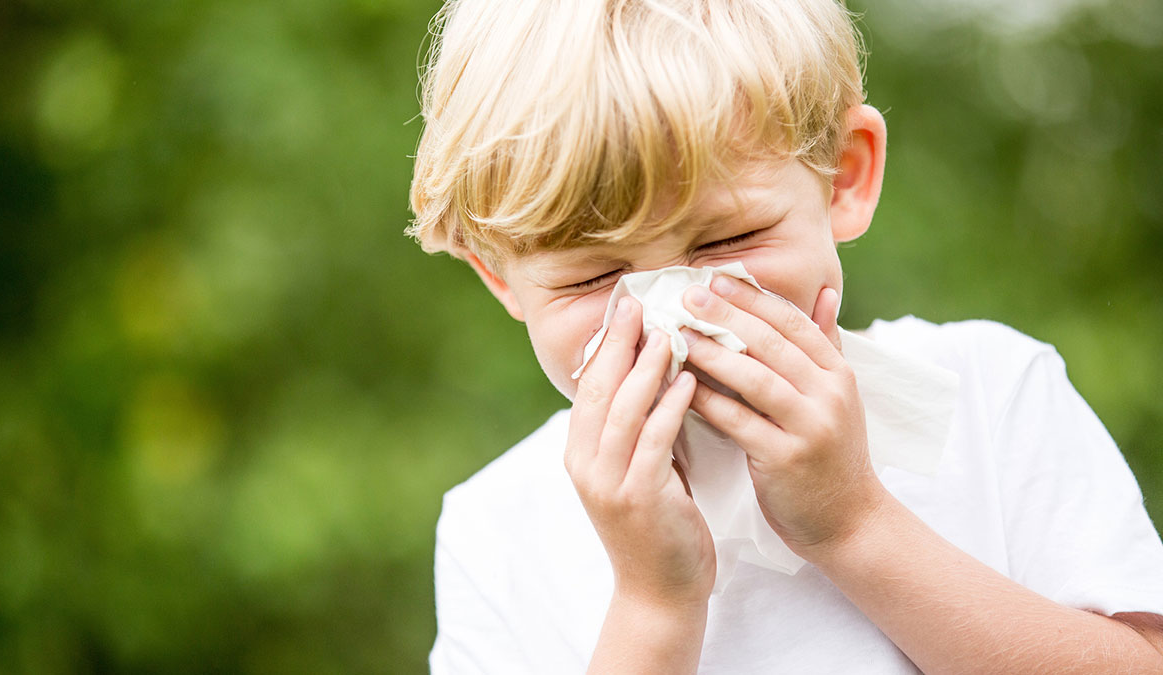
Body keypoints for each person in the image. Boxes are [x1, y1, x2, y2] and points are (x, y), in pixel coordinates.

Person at [408, 0, 1163, 672]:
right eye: (589, 277)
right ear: (502, 278)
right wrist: (653, 603)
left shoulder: (988, 391)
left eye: (727, 238)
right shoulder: (498, 526)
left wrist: (856, 523)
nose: (674, 309)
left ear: (844, 177)